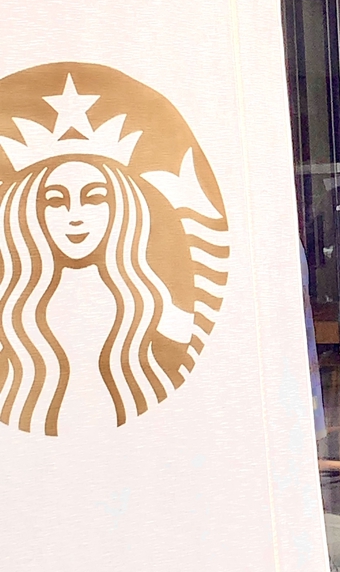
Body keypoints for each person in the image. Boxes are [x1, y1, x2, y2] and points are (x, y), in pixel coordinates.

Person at [0, 155, 195, 436]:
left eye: (93, 199)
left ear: (120, 208)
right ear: (33, 213)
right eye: (56, 201)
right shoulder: (13, 303)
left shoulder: (151, 295)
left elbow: (192, 363)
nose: (75, 216)